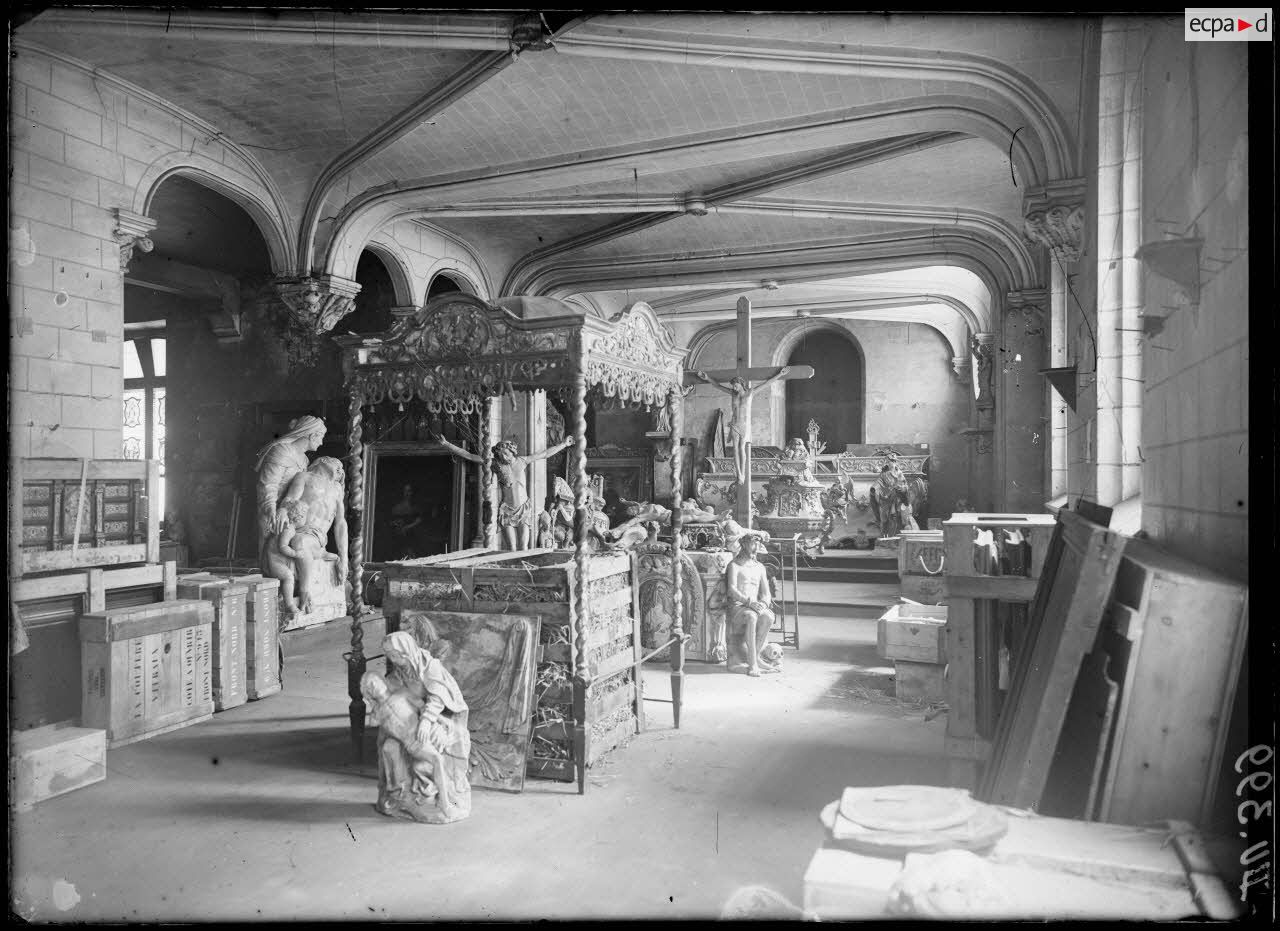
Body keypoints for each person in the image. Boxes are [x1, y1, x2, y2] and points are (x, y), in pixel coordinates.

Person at [374, 631, 472, 823]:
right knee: (388, 746)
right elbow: (394, 693)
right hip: (410, 720)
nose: (391, 659)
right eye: (389, 655)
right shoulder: (401, 670)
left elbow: (438, 697)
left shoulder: (430, 668)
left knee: (429, 756)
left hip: (438, 719)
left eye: (394, 655)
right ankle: (399, 794)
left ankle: (443, 800)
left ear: (406, 652)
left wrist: (427, 721)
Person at [434, 433, 573, 550]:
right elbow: (470, 456)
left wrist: (564, 444)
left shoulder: (522, 461)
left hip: (523, 509)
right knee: (511, 548)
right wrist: (447, 444)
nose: (504, 457)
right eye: (501, 455)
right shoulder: (496, 464)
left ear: (512, 452)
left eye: (506, 454)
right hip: (507, 511)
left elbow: (545, 454)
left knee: (523, 547)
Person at [260, 456, 348, 617]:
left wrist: (345, 558)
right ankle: (293, 595)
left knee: (300, 541)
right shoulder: (305, 477)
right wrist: (282, 510)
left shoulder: (337, 488)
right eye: (337, 464)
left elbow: (340, 523)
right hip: (297, 527)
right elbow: (291, 499)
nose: (340, 470)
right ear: (323, 461)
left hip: (316, 535)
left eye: (342, 468)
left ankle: (304, 591)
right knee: (284, 540)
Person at [692, 368, 792, 487]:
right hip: (734, 424)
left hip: (744, 425)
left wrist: (780, 374)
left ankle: (743, 473)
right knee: (735, 450)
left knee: (741, 448)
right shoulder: (732, 394)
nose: (734, 388)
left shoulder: (750, 392)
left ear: (741, 384)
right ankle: (738, 473)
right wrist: (707, 378)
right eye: (733, 386)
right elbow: (717, 386)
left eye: (736, 386)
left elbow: (766, 383)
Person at [253, 415, 326, 550]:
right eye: (321, 437)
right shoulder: (281, 451)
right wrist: (271, 510)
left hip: (291, 514)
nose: (321, 443)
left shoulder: (304, 460)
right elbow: (268, 484)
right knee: (271, 555)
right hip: (273, 512)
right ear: (312, 435)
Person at [724, 531, 781, 676]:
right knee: (751, 617)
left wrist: (764, 603)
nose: (756, 547)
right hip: (738, 607)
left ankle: (754, 657)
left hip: (755, 606)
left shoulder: (759, 567)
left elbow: (766, 592)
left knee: (769, 616)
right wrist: (749, 602)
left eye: (758, 544)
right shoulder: (734, 565)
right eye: (753, 544)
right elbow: (731, 590)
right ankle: (753, 664)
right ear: (743, 544)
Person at [389, 483, 425, 557]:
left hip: (413, 537)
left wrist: (407, 527)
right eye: (405, 491)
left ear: (412, 492)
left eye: (409, 491)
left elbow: (419, 521)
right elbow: (391, 522)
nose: (407, 493)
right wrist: (396, 524)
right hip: (400, 538)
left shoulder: (416, 507)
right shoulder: (397, 507)